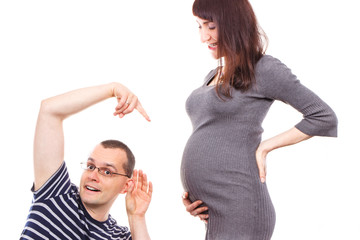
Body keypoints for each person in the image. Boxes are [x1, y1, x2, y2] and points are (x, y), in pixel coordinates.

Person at [180, 0, 338, 239]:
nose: (204, 37)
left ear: (233, 23)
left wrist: (265, 147)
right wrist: (198, 196)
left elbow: (323, 116)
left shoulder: (264, 68)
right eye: (199, 26)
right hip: (215, 211)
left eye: (210, 26)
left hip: (241, 205)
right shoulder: (213, 74)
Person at [20, 82, 153, 240]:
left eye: (106, 172)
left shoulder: (118, 236)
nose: (93, 175)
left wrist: (137, 217)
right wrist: (112, 89)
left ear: (125, 186)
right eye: (90, 166)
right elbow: (49, 111)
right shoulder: (56, 193)